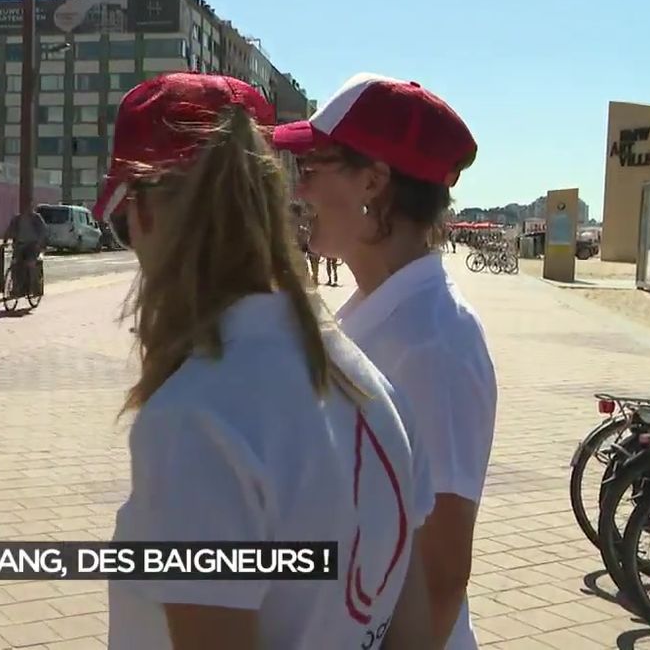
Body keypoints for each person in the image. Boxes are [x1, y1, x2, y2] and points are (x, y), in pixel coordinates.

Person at [91, 72, 436, 650]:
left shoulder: (196, 421)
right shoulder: (371, 385)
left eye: (123, 226)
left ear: (143, 212)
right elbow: (416, 632)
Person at [271, 72, 496, 650]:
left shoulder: (433, 342)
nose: (300, 189)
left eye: (313, 168)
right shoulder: (379, 311)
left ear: (373, 182)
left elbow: (442, 573)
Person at [2, 206, 48, 295]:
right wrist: (5, 241)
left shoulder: (36, 218)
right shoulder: (17, 219)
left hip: (32, 245)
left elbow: (43, 231)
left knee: (31, 265)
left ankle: (35, 287)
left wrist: (40, 243)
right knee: (15, 265)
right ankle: (17, 287)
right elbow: (9, 230)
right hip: (19, 245)